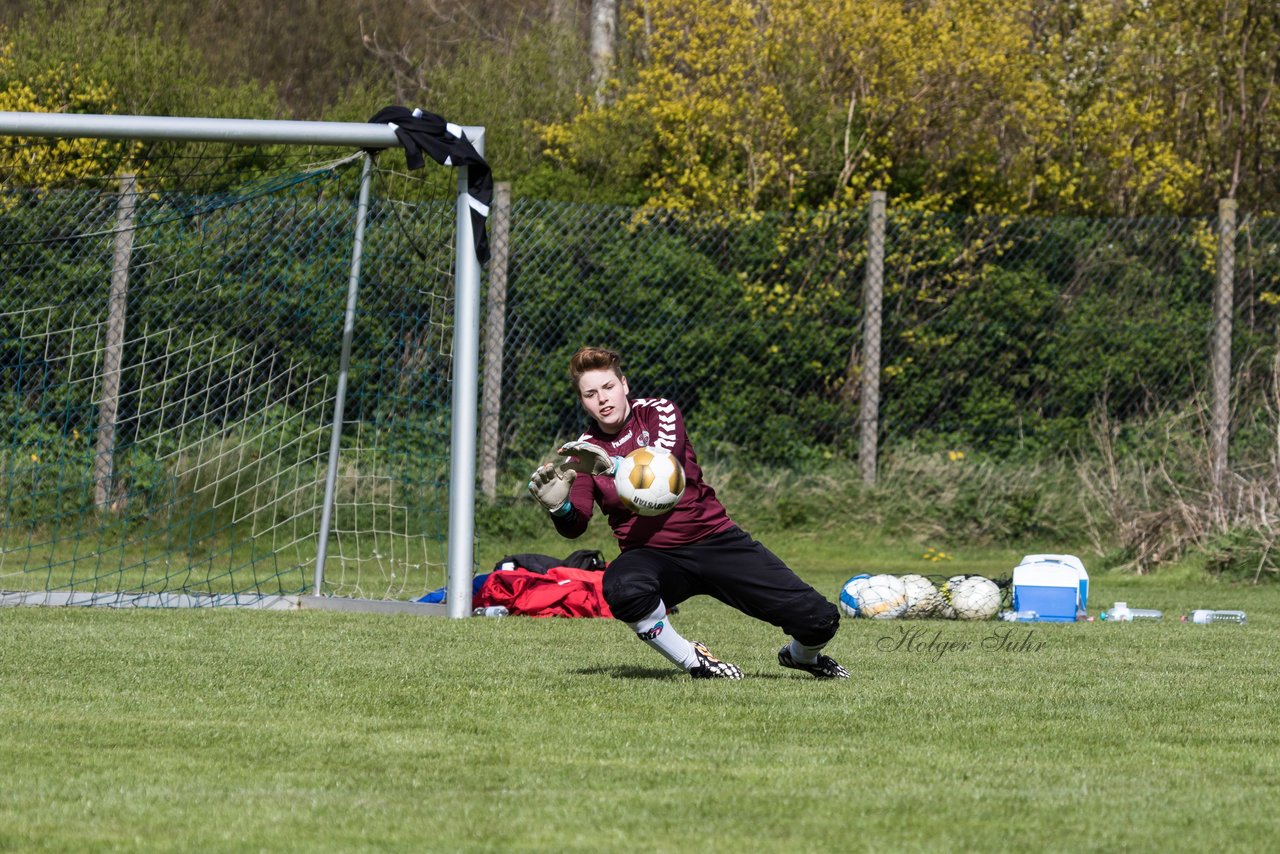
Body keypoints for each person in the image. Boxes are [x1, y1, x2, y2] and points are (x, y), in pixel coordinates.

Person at [527, 346, 847, 680]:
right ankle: (695, 662)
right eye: (590, 394)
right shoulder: (584, 454)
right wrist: (560, 507)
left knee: (820, 620)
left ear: (624, 385)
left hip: (713, 540)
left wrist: (618, 467)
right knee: (622, 587)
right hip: (651, 555)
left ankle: (801, 658)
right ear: (583, 402)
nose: (602, 399)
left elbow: (666, 461)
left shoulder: (657, 412)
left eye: (608, 387)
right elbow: (575, 525)